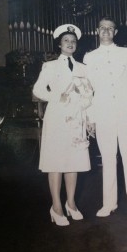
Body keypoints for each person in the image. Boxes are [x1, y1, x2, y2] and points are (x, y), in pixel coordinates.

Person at [84, 16, 127, 219]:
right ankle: (108, 203)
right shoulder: (89, 57)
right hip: (102, 114)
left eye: (110, 28)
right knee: (108, 160)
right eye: (102, 28)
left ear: (115, 32)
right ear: (97, 31)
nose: (106, 31)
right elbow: (88, 91)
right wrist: (90, 118)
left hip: (126, 113)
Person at [33, 24, 94, 226]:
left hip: (77, 119)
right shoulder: (50, 66)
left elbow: (88, 95)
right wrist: (58, 96)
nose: (70, 44)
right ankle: (56, 207)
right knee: (56, 162)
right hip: (57, 118)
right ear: (59, 44)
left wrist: (89, 118)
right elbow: (38, 90)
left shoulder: (82, 68)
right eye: (66, 41)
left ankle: (71, 203)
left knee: (73, 161)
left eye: (73, 41)